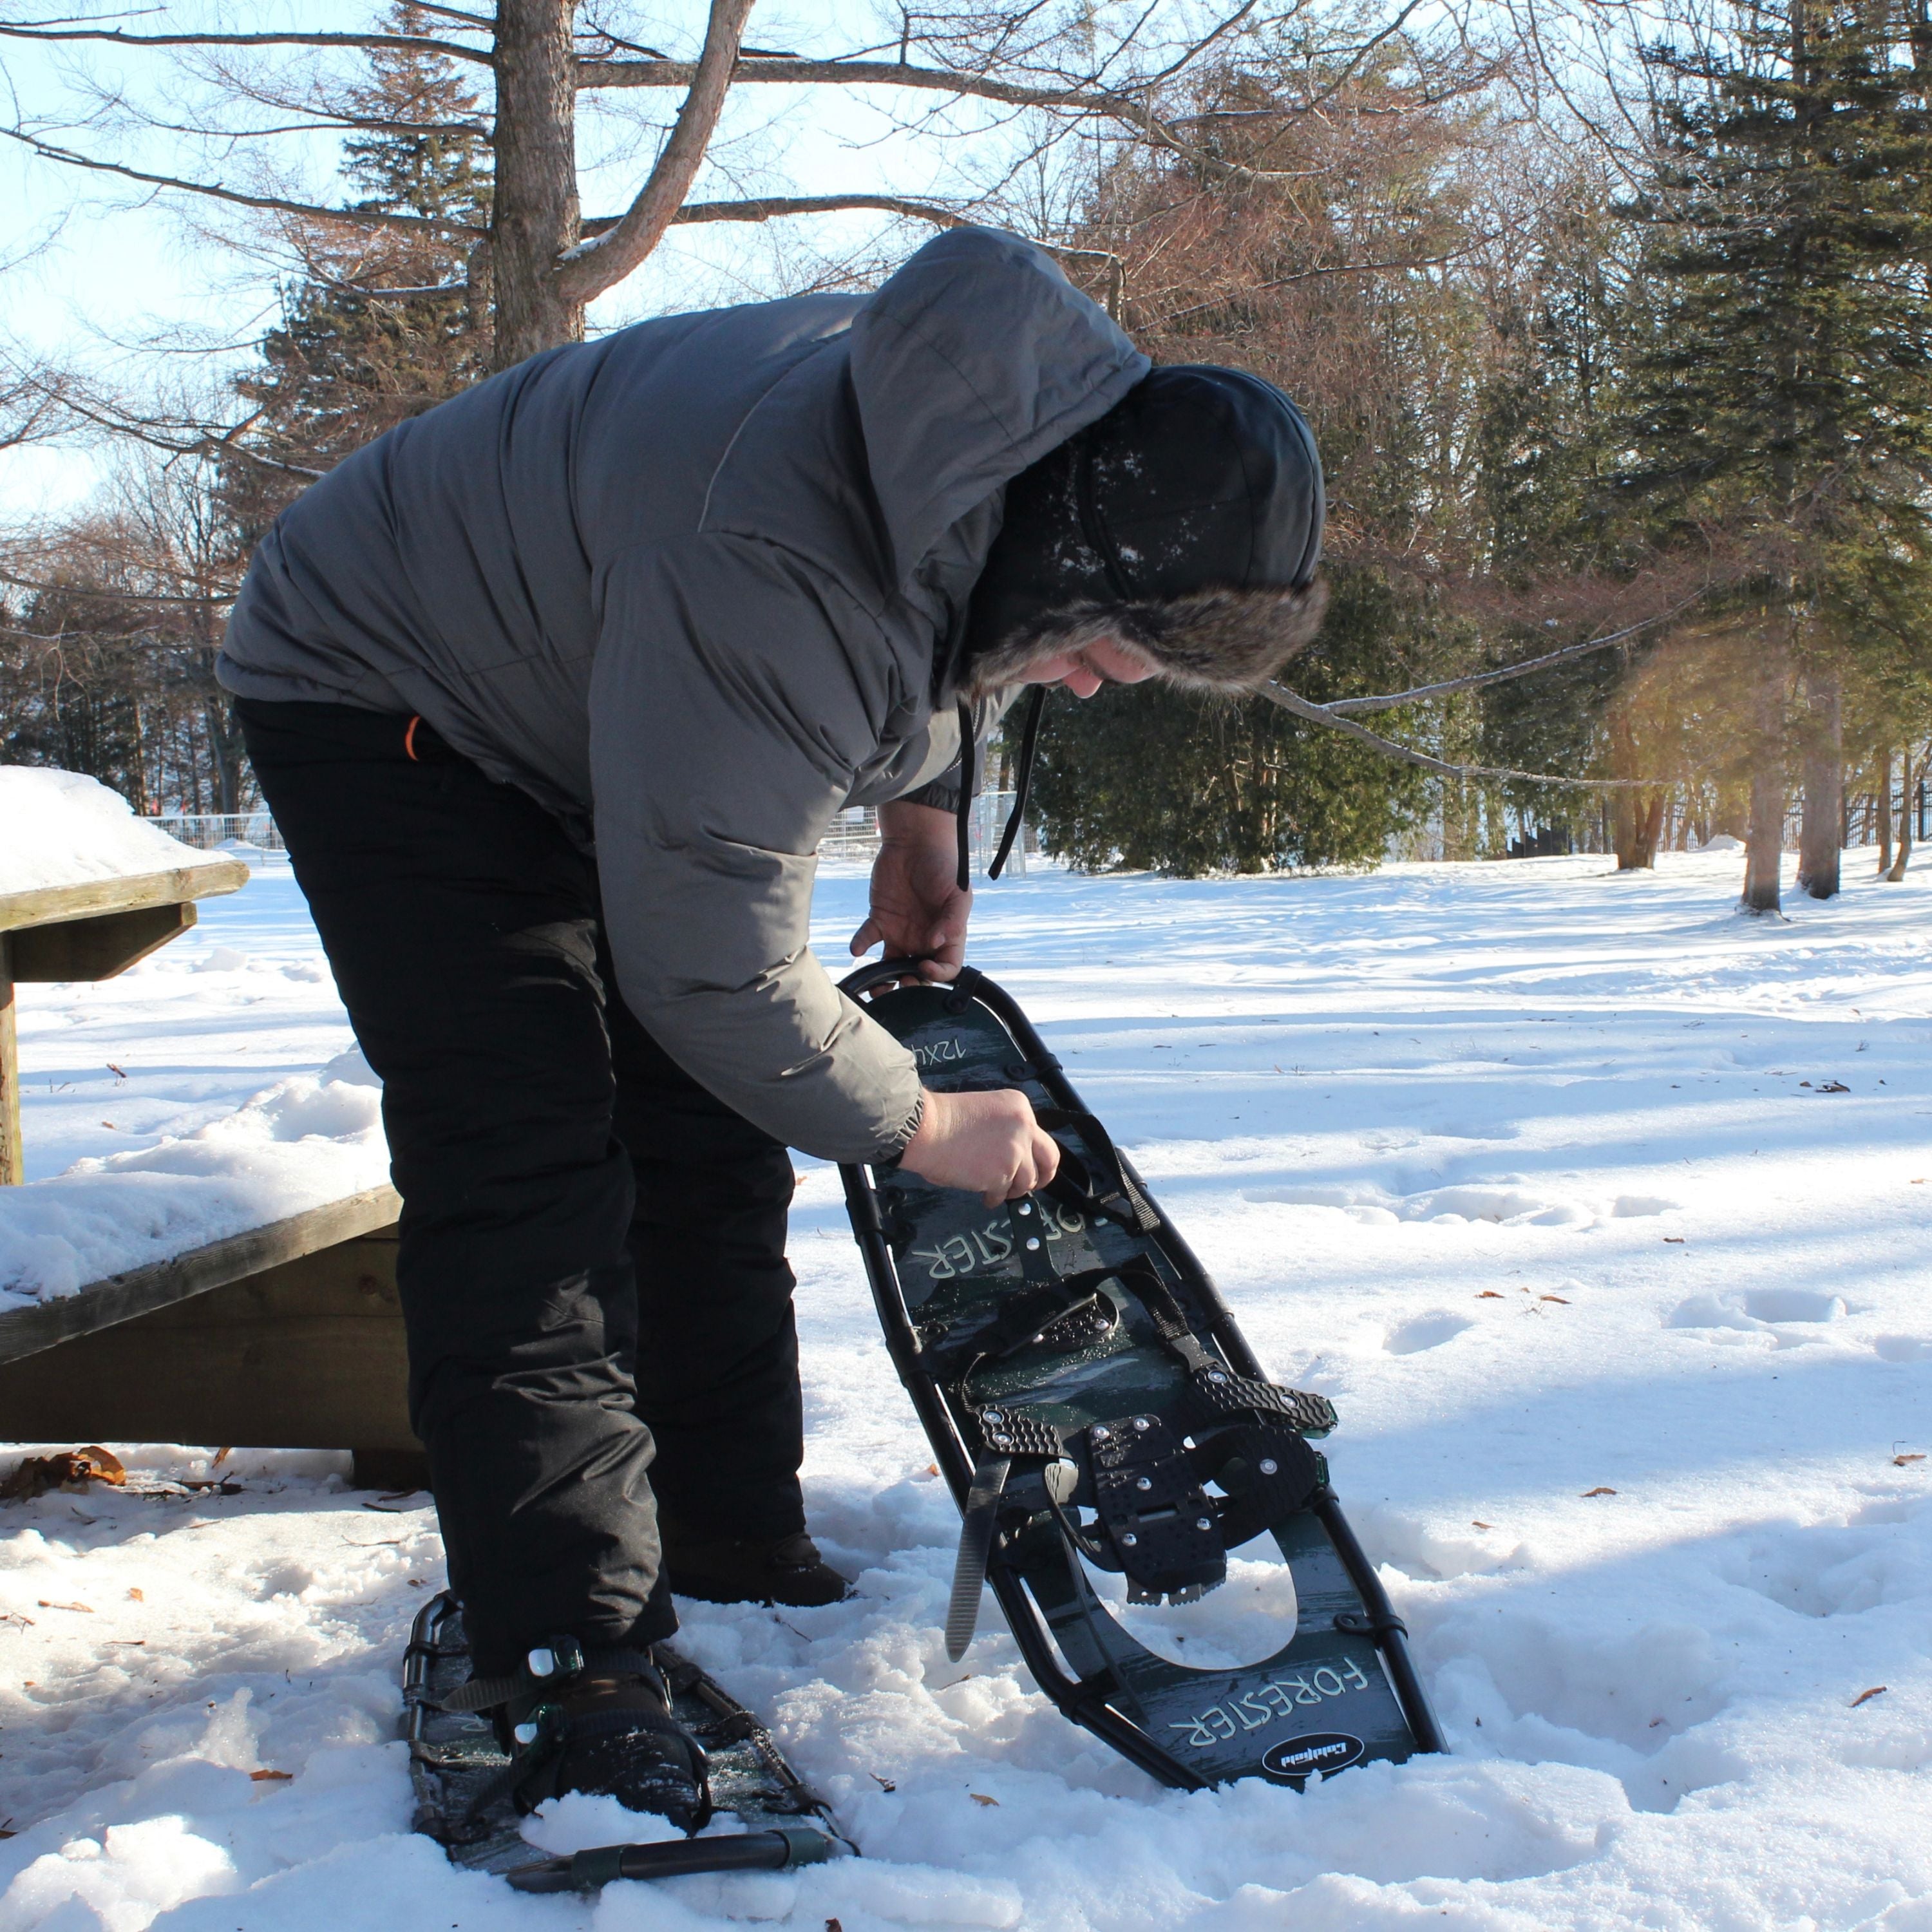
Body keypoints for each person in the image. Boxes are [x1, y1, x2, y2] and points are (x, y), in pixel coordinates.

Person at [216, 226, 1328, 1826]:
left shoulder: (1002, 447)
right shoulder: (777, 557)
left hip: (606, 660)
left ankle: (723, 1532)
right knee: (528, 1153)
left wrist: (924, 818)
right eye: (1115, 647)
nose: (1097, 687)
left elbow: (954, 617)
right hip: (391, 689)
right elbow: (713, 966)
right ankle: (564, 1660)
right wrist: (920, 1122)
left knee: (710, 1127)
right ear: (1073, 566)